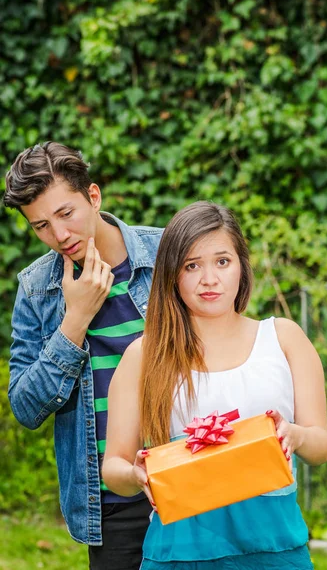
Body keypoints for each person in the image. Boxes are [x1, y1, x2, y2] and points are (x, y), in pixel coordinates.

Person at [102, 201, 327, 570]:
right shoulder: (143, 355)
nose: (209, 279)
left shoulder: (284, 338)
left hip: (276, 550)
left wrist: (296, 436)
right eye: (192, 266)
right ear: (172, 275)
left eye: (222, 261)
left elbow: (320, 447)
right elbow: (113, 466)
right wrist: (136, 474)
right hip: (178, 553)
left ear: (241, 265)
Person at [3, 142, 162, 570]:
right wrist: (75, 321)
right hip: (112, 500)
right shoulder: (37, 289)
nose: (59, 236)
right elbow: (25, 406)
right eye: (40, 226)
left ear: (93, 196)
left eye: (65, 214)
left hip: (187, 471)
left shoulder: (169, 255)